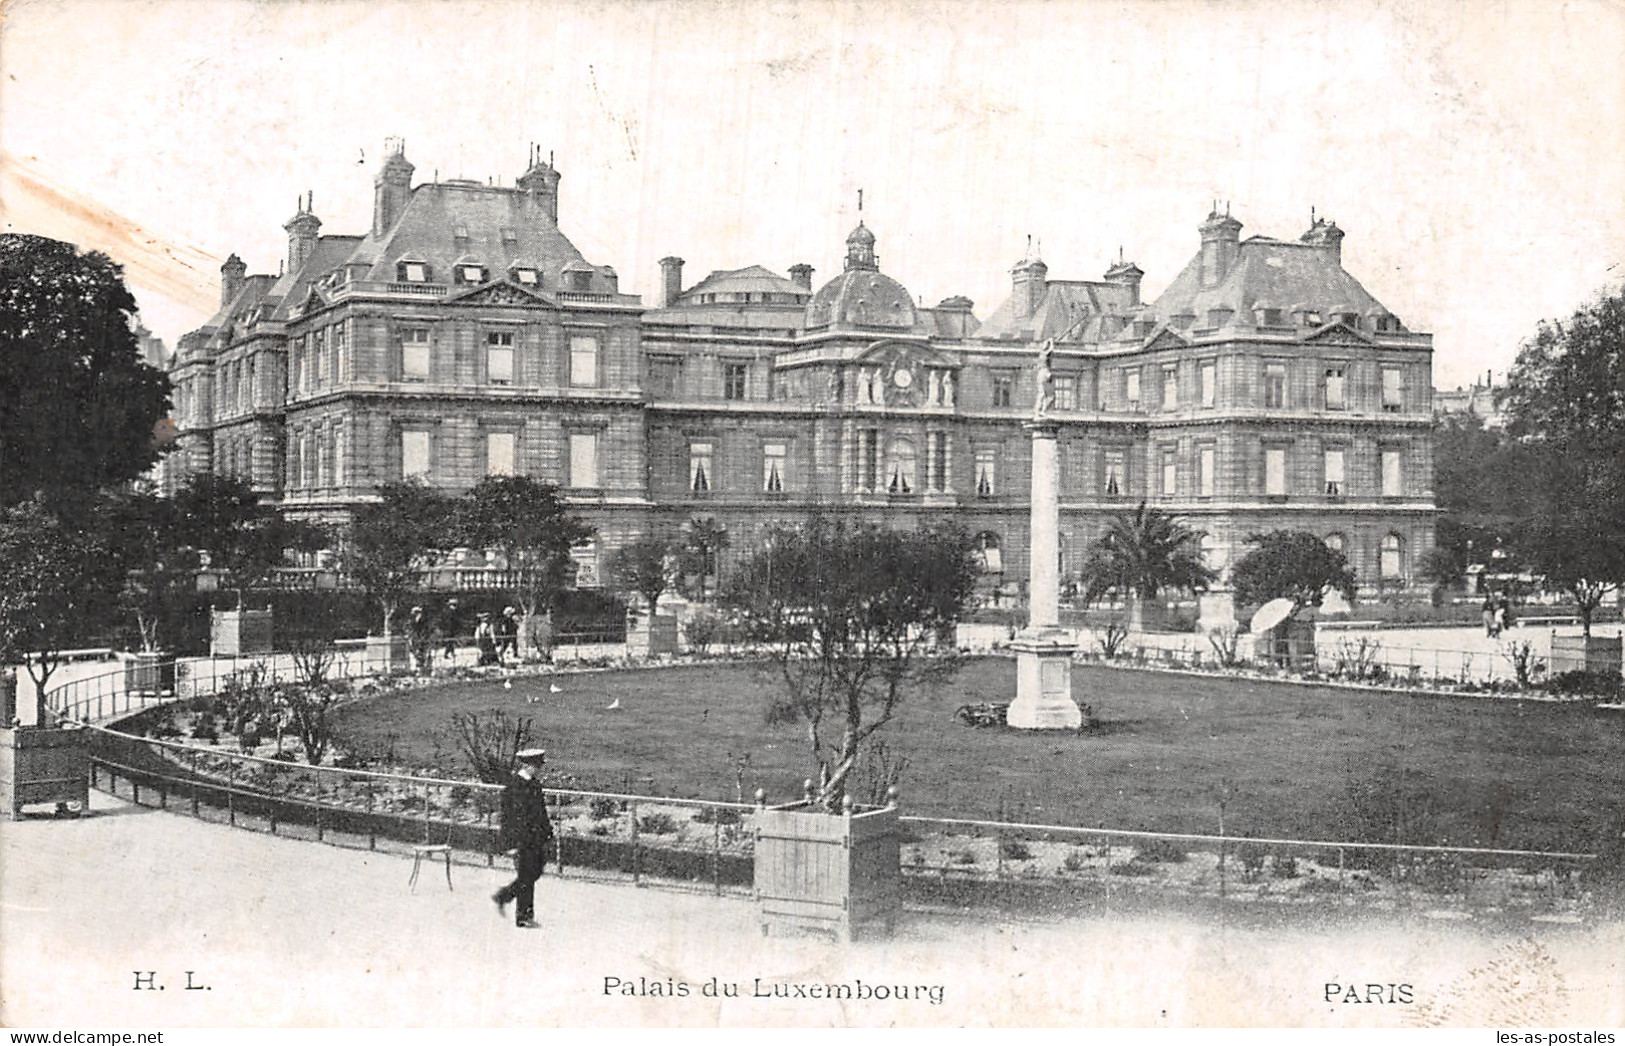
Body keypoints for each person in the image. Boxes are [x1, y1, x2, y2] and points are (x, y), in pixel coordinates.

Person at [492, 747, 553, 930]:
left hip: (536, 838)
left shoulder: (535, 784)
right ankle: (524, 916)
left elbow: (541, 812)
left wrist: (547, 832)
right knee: (527, 876)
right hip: (522, 840)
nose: (539, 769)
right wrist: (510, 843)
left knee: (534, 873)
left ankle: (504, 896)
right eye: (536, 765)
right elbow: (508, 818)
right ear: (527, 765)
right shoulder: (514, 786)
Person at [405, 605, 433, 676]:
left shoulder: (424, 621)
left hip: (422, 640)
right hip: (415, 640)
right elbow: (409, 628)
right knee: (415, 654)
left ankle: (422, 670)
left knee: (422, 654)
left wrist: (422, 639)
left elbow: (425, 631)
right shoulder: (412, 621)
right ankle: (418, 670)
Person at [441, 598, 463, 664]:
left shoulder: (446, 611)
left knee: (451, 641)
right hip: (450, 629)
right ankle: (446, 654)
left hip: (448, 629)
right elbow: (452, 622)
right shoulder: (451, 612)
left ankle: (451, 653)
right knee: (450, 642)